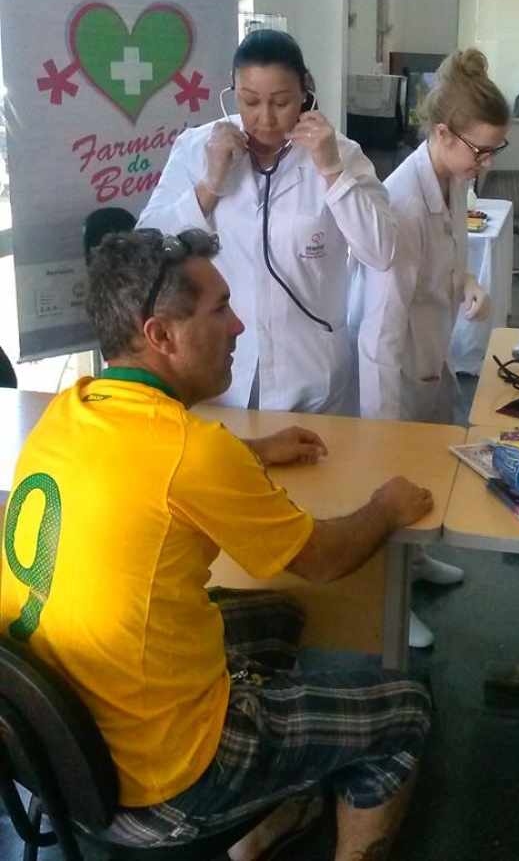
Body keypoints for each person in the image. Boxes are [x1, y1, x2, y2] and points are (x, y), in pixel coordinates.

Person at [0, 228, 432, 861]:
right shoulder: (194, 454)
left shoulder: (71, 410)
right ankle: (239, 799)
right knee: (407, 708)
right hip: (158, 790)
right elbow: (326, 559)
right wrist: (386, 507)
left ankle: (263, 825)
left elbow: (153, 463)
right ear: (161, 335)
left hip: (51, 759)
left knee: (278, 617)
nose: (238, 327)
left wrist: (249, 451)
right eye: (220, 308)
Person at [138, 29, 395, 414]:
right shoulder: (196, 149)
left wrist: (333, 173)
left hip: (310, 372)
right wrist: (209, 186)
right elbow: (147, 246)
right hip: (220, 370)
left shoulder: (342, 153)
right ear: (233, 91)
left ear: (305, 92)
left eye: (281, 102)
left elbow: (381, 251)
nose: (265, 119)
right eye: (250, 101)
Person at [357, 48, 511, 647]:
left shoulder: (450, 179)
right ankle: (389, 605)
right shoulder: (401, 201)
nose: (487, 162)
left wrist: (469, 283)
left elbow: (446, 259)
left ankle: (415, 565)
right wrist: (382, 427)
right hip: (393, 367)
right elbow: (381, 326)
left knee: (427, 469)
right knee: (393, 478)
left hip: (428, 355)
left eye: (496, 149)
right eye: (481, 150)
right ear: (443, 133)